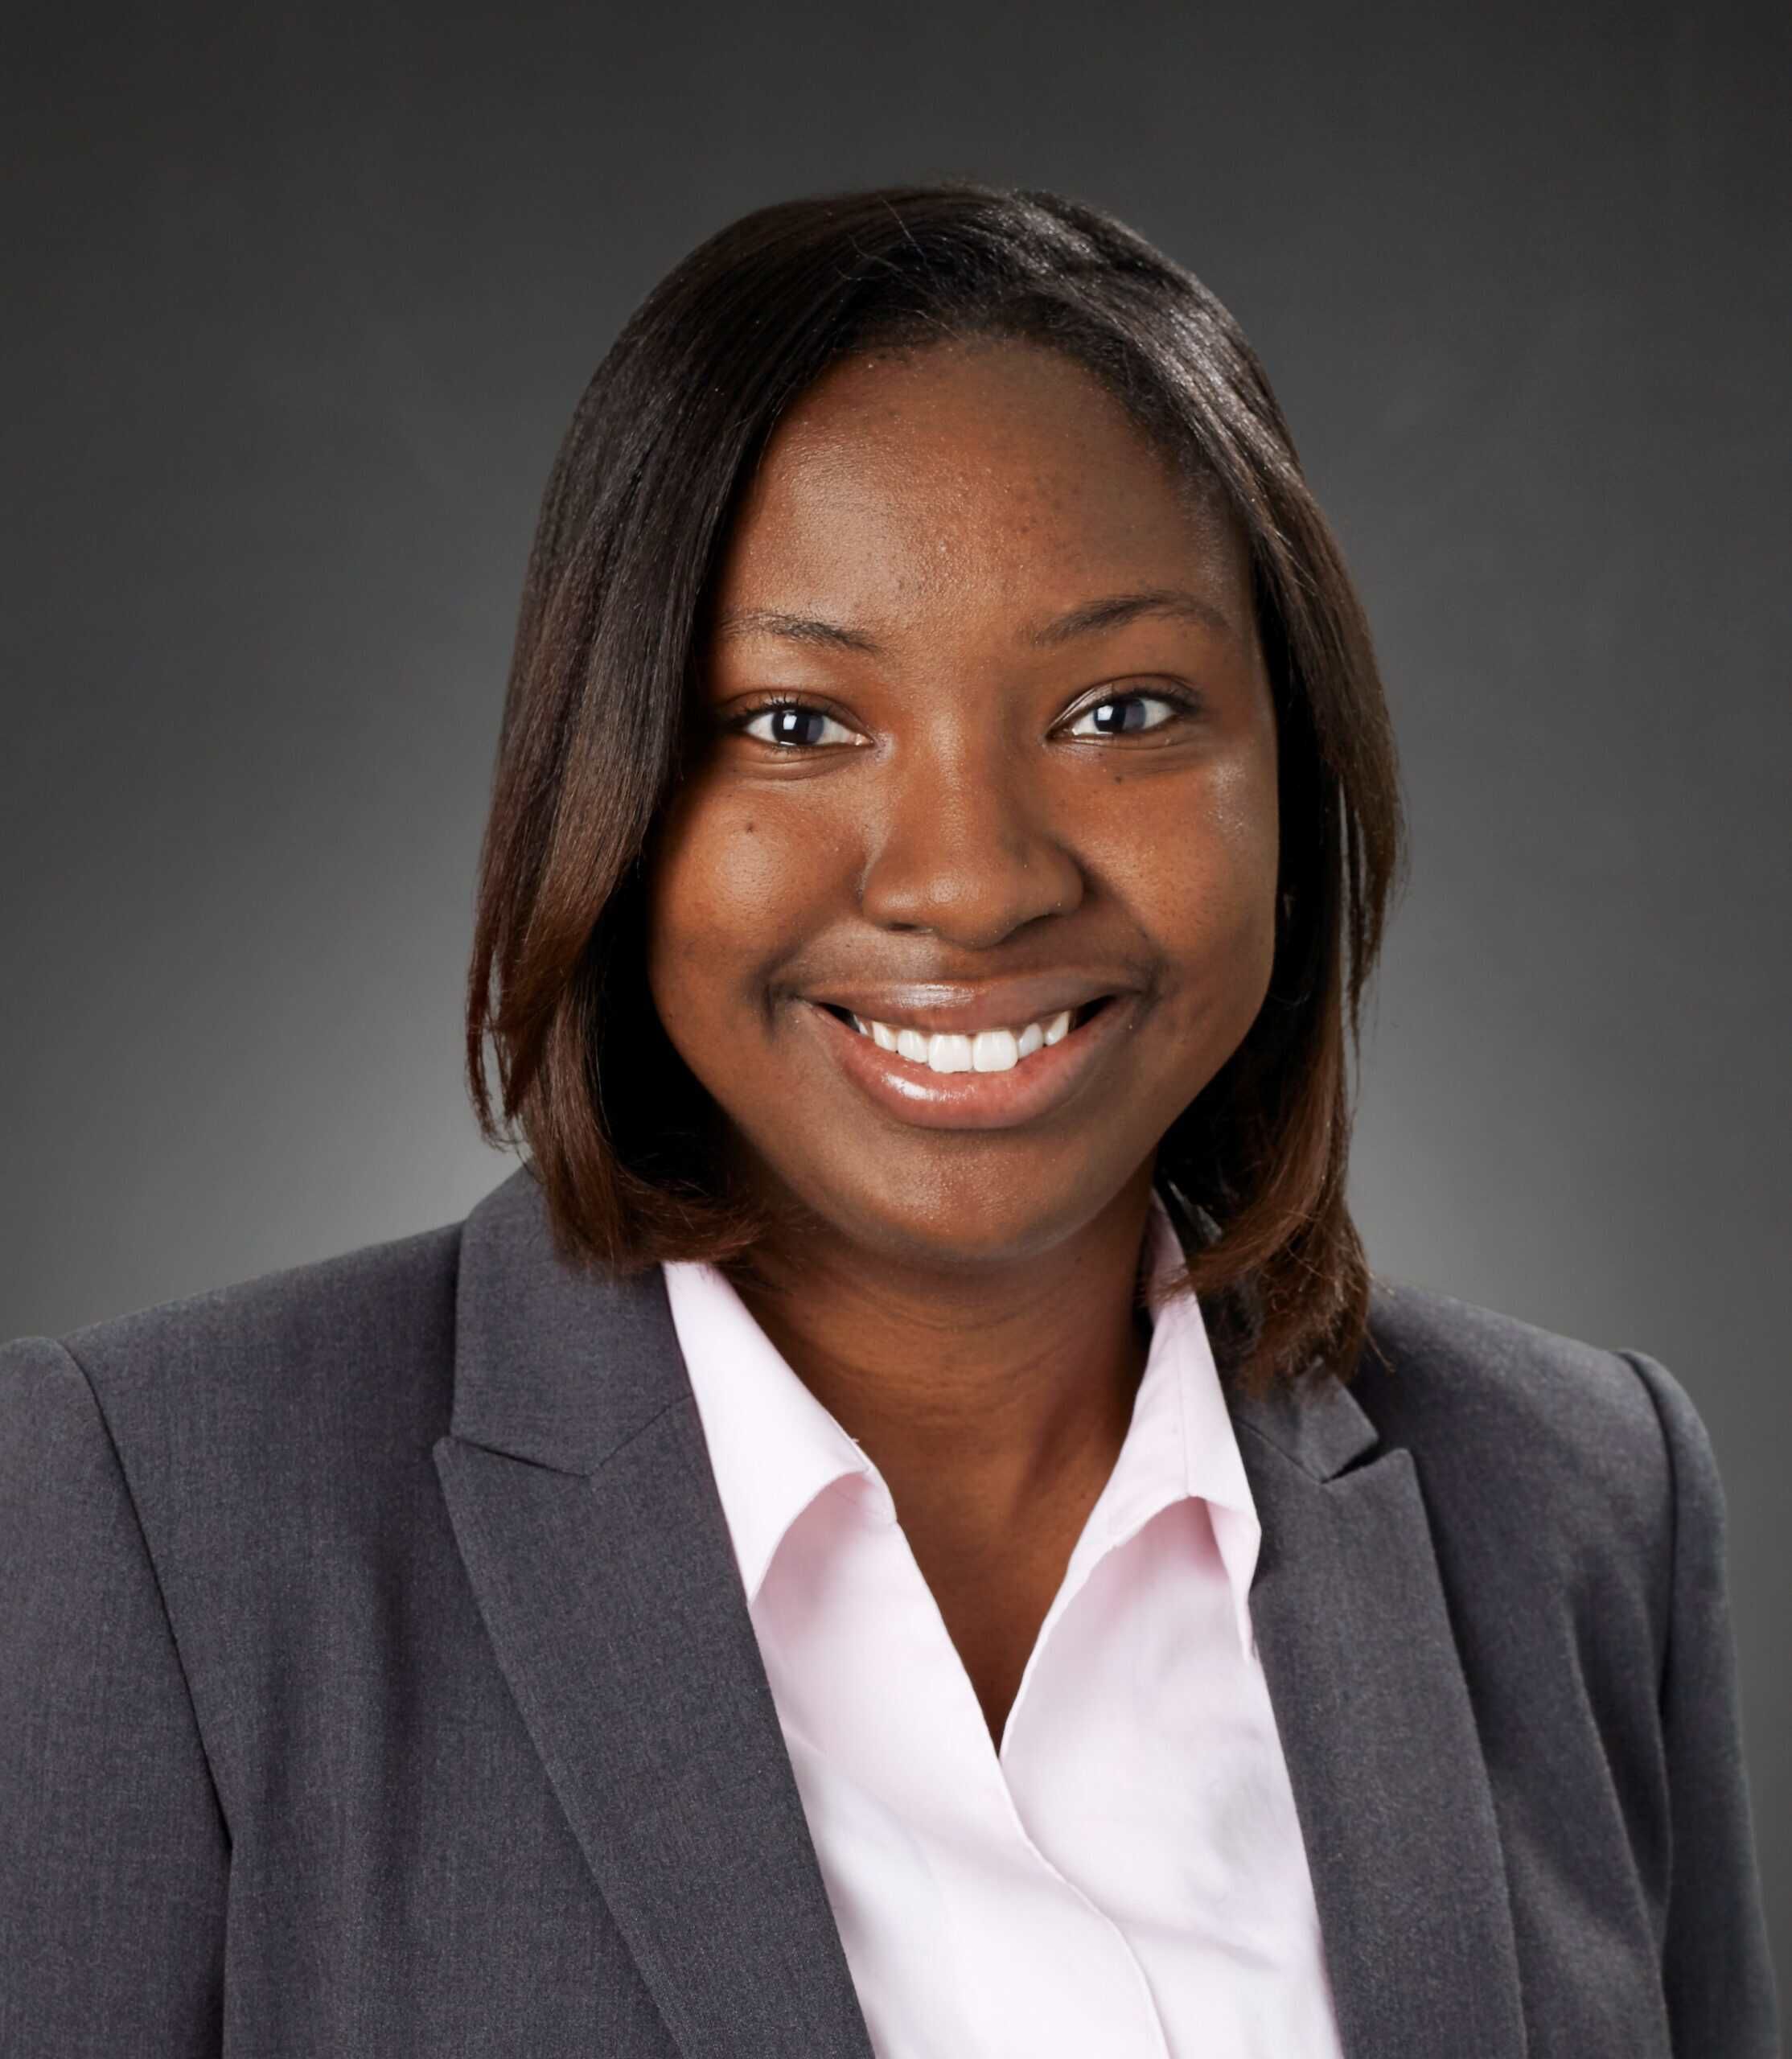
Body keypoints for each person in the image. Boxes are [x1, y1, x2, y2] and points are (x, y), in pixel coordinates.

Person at [0, 184, 1777, 2059]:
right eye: (794, 723)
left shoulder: (1578, 1498)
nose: (970, 880)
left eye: (1117, 706)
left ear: (1297, 769)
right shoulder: (155, 1524)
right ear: (607, 784)